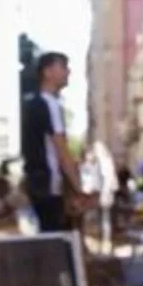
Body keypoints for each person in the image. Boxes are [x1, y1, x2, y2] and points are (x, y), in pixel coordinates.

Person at [22, 51, 90, 231]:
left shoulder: (32, 104)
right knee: (56, 240)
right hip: (49, 185)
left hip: (36, 182)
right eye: (63, 67)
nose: (68, 72)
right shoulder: (50, 104)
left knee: (47, 237)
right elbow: (61, 149)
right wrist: (78, 187)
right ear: (47, 72)